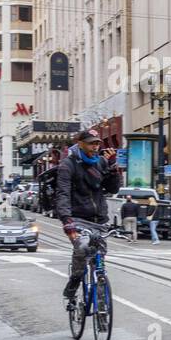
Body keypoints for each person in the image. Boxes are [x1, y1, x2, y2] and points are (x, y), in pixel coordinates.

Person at [55, 129, 121, 306]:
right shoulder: (68, 165)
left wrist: (113, 167)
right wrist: (67, 221)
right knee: (83, 249)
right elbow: (62, 194)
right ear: (80, 143)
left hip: (99, 221)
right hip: (78, 219)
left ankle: (101, 307)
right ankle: (74, 283)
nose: (95, 146)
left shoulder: (101, 162)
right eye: (91, 143)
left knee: (99, 261)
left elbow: (113, 189)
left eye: (97, 143)